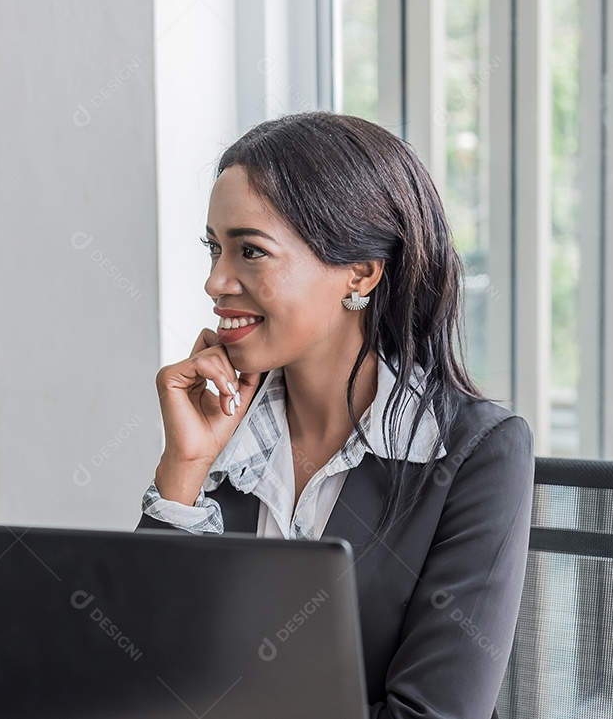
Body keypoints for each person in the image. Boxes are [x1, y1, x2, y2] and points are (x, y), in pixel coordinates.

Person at [135, 111, 533, 719]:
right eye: (215, 249)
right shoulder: (221, 429)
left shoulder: (477, 453)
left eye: (250, 251)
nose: (215, 281)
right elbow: (131, 674)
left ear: (361, 274)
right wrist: (184, 468)